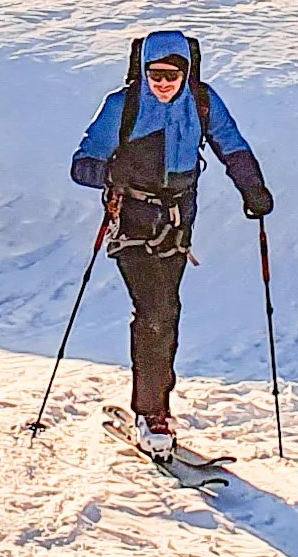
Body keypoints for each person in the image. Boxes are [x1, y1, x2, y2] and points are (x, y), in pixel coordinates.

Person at [67, 31, 271, 457]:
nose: (162, 83)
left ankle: (155, 403)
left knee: (167, 312)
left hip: (178, 224)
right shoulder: (122, 106)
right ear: (142, 71)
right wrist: (110, 175)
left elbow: (232, 146)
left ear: (187, 72)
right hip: (132, 222)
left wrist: (252, 188)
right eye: (155, 74)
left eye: (172, 75)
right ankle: (151, 413)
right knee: (156, 313)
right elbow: (81, 165)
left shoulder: (203, 101)